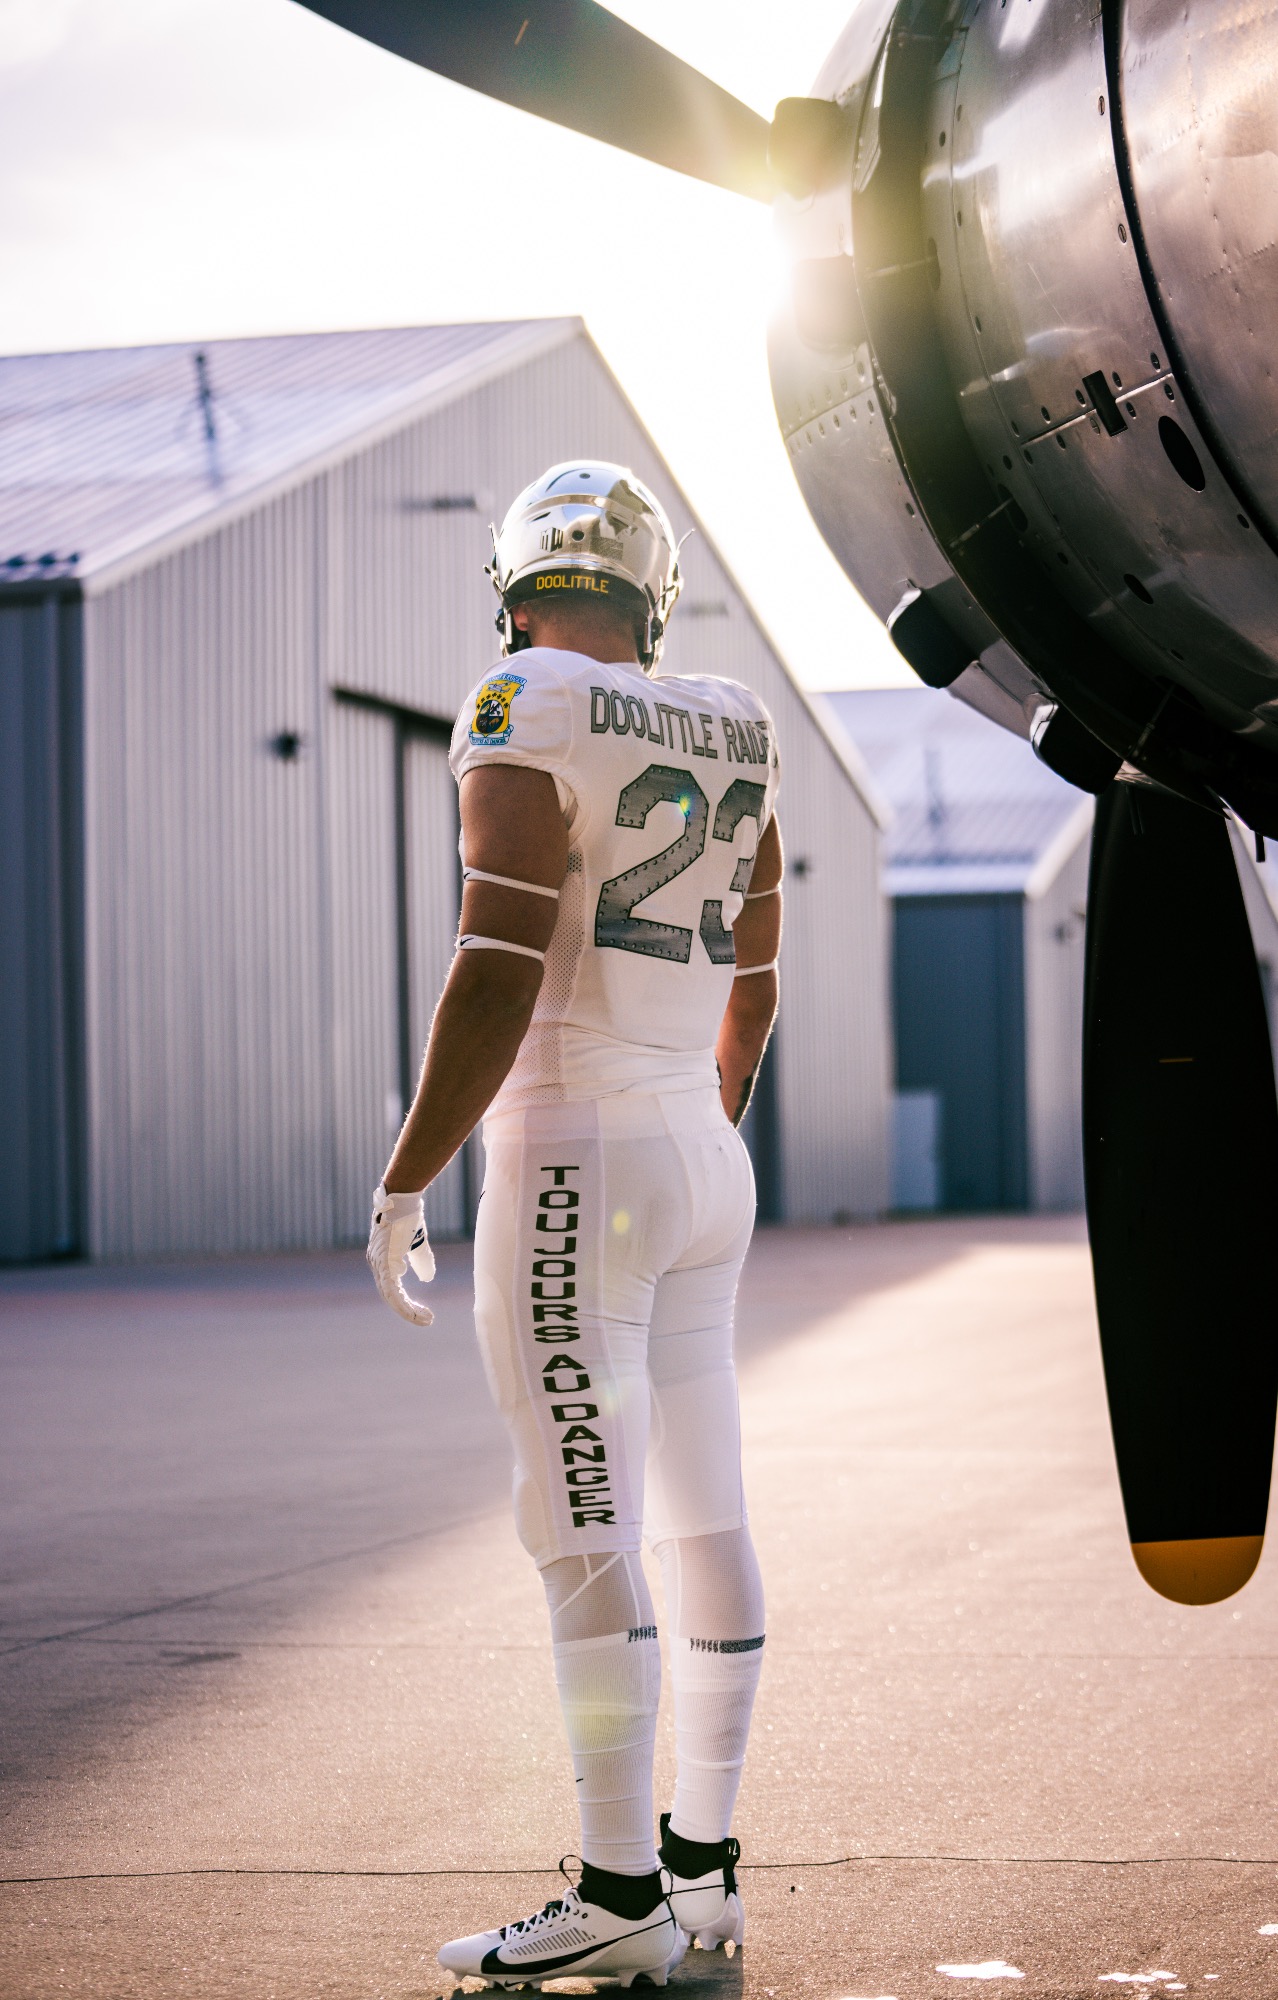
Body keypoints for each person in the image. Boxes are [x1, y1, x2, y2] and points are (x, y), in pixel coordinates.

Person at [366, 462, 783, 1991]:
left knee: (580, 1530)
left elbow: (495, 958)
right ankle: (704, 1868)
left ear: (519, 581)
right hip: (694, 1150)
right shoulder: (735, 715)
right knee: (706, 1511)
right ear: (647, 591)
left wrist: (409, 1169)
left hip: (573, 1161)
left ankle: (615, 1890)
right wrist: (696, 1128)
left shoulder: (517, 700)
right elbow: (756, 974)